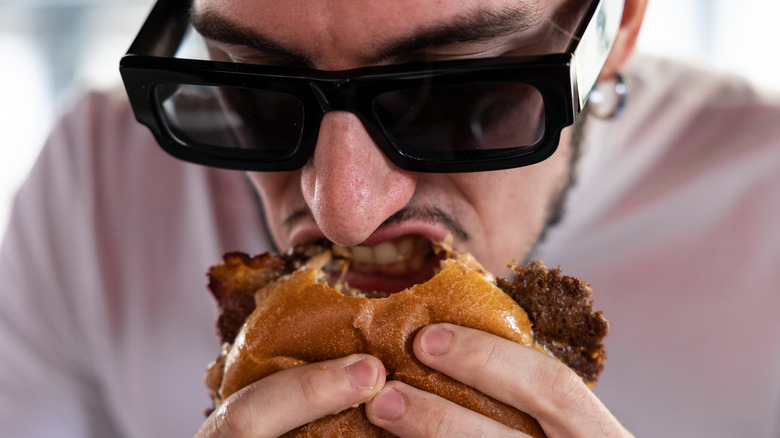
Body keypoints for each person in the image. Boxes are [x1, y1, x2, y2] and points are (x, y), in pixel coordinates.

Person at [1, 0, 779, 436]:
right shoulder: (93, 181)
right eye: (255, 85)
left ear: (617, 33)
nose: (341, 211)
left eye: (452, 94)